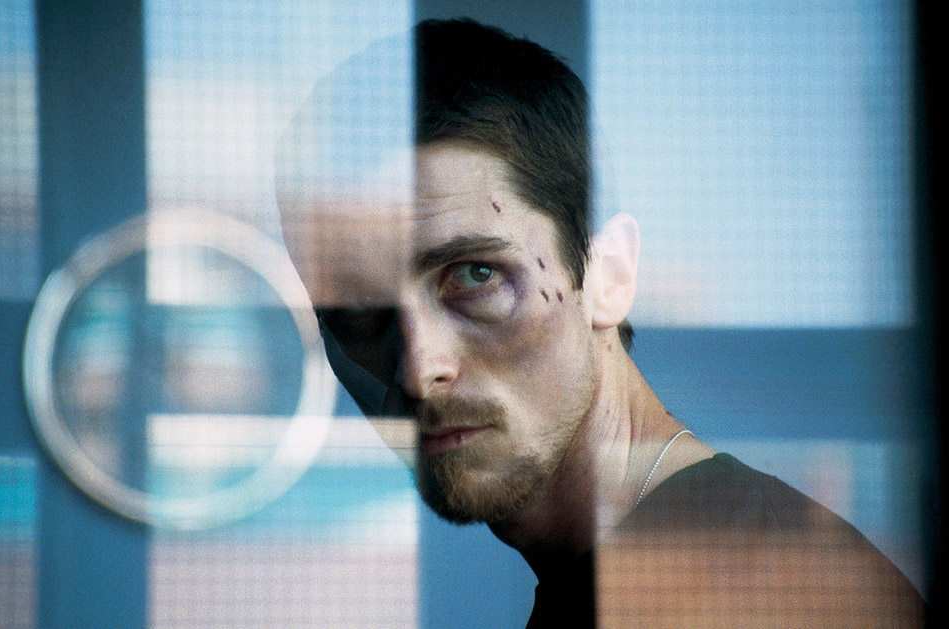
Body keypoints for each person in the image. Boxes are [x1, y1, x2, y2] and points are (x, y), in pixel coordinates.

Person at [278, 18, 925, 627]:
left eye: (476, 276)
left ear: (609, 275)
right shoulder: (673, 565)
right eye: (355, 310)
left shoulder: (736, 593)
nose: (420, 369)